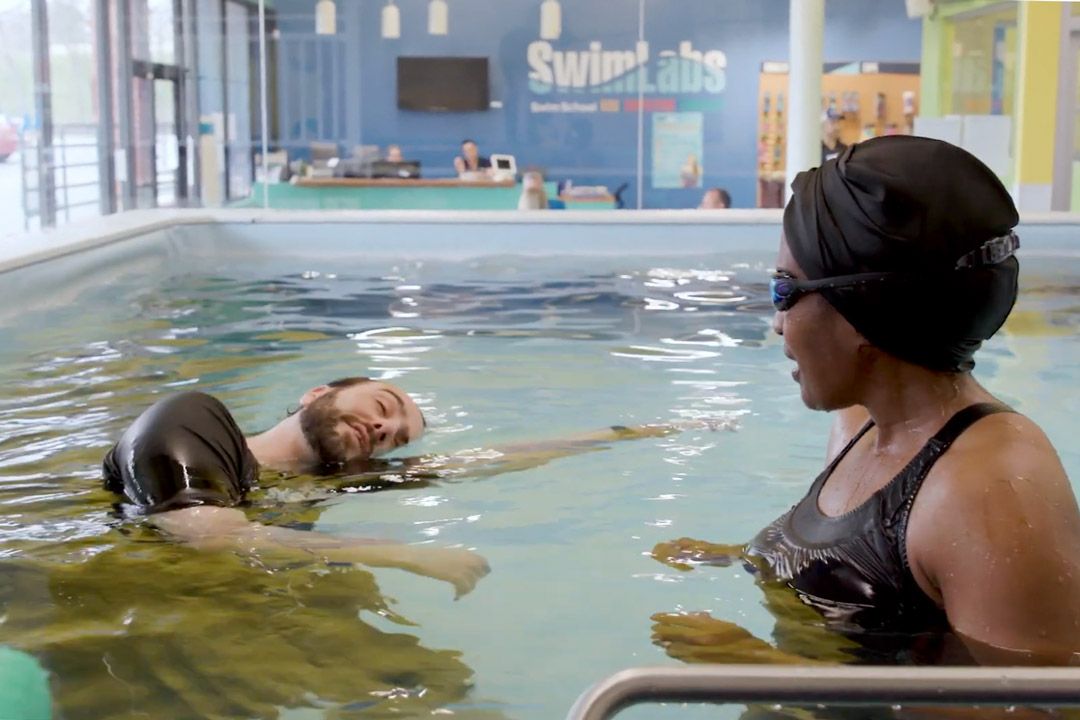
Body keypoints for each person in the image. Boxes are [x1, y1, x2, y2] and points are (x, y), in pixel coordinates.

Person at [652, 136, 1080, 668]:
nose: (777, 322)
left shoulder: (990, 487)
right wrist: (737, 556)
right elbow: (859, 567)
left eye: (784, 292)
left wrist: (761, 666)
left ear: (863, 305)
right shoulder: (866, 425)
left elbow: (1032, 708)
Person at [104, 377, 488, 598]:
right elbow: (205, 532)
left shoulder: (324, 484)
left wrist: (551, 440)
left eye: (397, 439)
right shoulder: (192, 419)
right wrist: (404, 555)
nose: (384, 428)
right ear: (317, 393)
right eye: (382, 406)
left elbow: (477, 462)